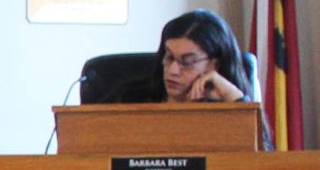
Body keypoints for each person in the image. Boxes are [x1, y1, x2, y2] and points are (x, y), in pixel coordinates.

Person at [102, 9, 253, 105]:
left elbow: (260, 152)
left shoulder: (225, 102)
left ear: (213, 64)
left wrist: (232, 97)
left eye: (187, 62)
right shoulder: (130, 97)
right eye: (169, 57)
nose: (173, 70)